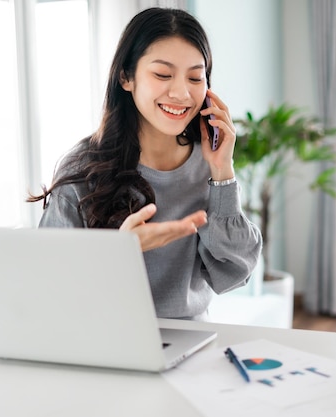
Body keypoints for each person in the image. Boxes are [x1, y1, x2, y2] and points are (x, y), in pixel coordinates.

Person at [28, 7, 262, 320]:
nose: (181, 92)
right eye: (163, 75)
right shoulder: (83, 168)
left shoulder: (209, 167)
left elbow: (235, 273)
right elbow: (46, 289)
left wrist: (222, 172)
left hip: (190, 341)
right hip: (103, 338)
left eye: (195, 77)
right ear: (126, 77)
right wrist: (117, 256)